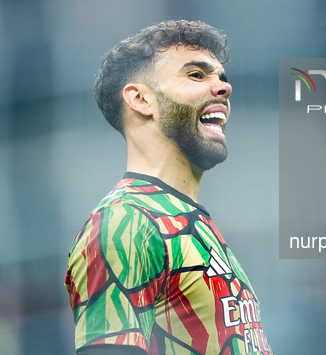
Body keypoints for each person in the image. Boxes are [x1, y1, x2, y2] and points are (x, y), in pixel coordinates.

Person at [65, 20, 272, 355]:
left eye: (221, 77)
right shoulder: (125, 221)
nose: (223, 87)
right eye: (196, 75)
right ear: (141, 99)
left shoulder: (194, 223)